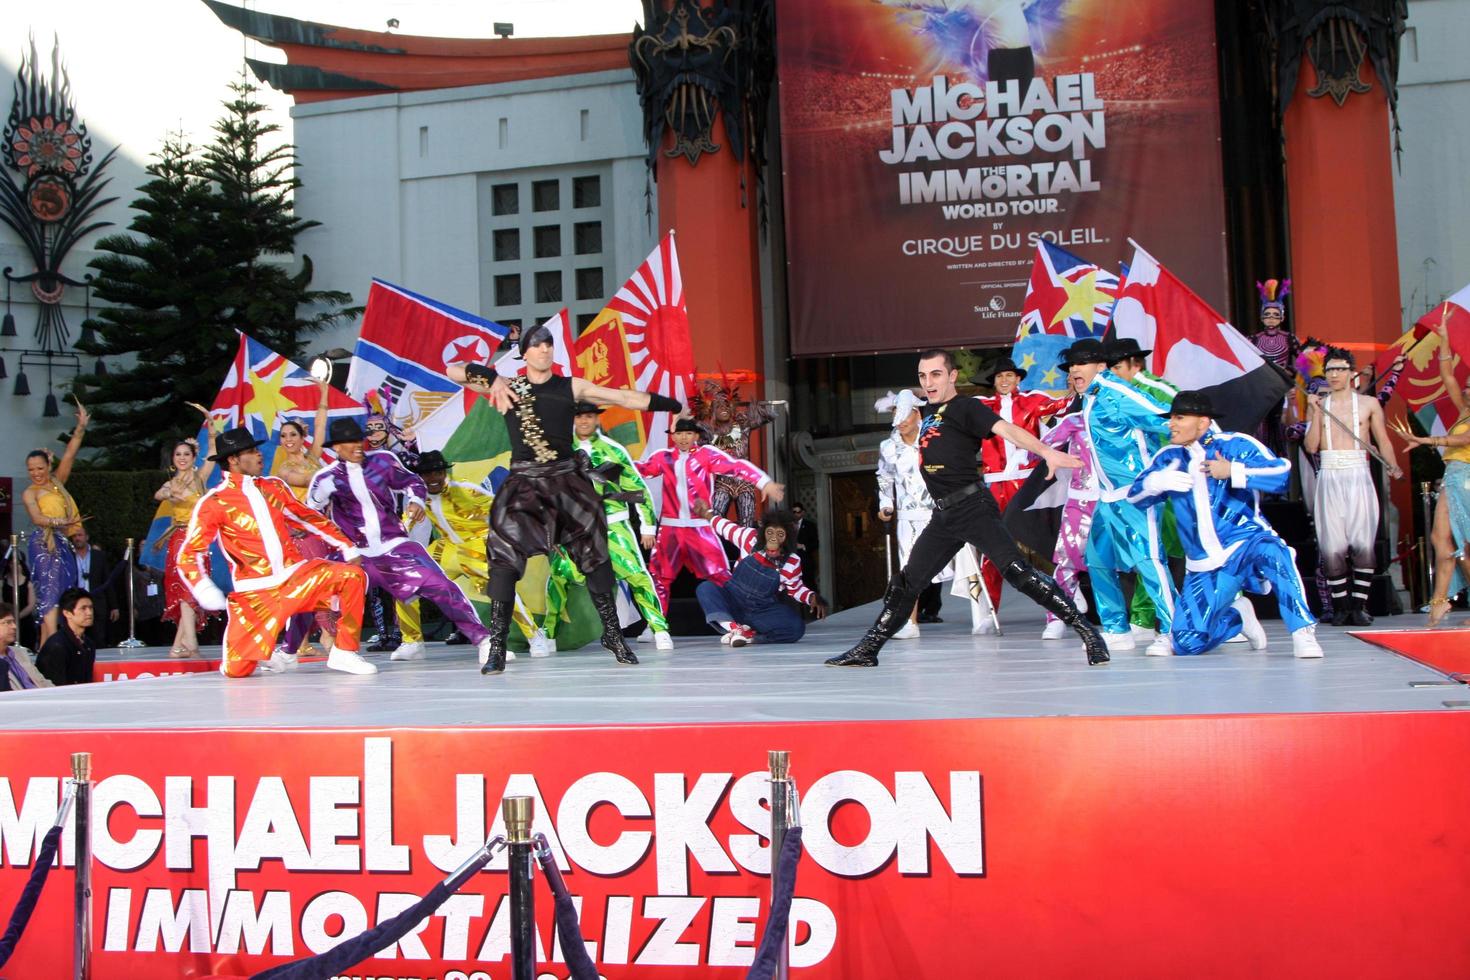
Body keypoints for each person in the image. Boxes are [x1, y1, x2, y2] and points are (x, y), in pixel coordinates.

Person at [826, 349, 1107, 667]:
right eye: (923, 375)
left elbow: (1007, 430)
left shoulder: (966, 408)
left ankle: (1087, 632)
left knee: (1018, 573)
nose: (928, 382)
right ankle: (868, 649)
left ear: (952, 375)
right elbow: (913, 401)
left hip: (973, 507)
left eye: (936, 374)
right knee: (906, 582)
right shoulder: (931, 411)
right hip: (943, 515)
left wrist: (1046, 452)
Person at [448, 322, 690, 674]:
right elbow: (452, 370)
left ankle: (612, 634)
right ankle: (497, 644)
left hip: (566, 483)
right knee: (503, 559)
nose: (545, 350)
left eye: (549, 344)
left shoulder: (570, 386)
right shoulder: (508, 388)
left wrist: (674, 404)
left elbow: (622, 397)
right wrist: (492, 377)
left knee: (596, 557)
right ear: (524, 353)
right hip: (525, 485)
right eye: (537, 345)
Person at [1128, 390, 1324, 658]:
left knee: (1275, 553)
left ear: (1203, 421)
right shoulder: (1168, 458)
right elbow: (1135, 496)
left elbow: (1281, 475)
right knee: (1186, 644)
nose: (1171, 424)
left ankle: (1303, 632)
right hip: (1205, 563)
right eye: (1171, 417)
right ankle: (1238, 617)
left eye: (1179, 417)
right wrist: (1156, 483)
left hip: (1247, 541)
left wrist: (1233, 471)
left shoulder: (1236, 444)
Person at [175, 426, 373, 677]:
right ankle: (247, 655)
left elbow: (309, 518)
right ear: (233, 460)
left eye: (257, 449)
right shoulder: (214, 502)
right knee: (237, 672)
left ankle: (344, 652)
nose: (260, 455)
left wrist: (346, 545)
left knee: (352, 576)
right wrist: (203, 588)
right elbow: (189, 554)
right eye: (251, 451)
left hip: (295, 579)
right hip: (256, 595)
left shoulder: (274, 487)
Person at [307, 418, 492, 663]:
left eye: (358, 439)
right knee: (312, 589)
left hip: (394, 546)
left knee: (440, 585)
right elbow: (311, 515)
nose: (358, 445)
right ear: (337, 447)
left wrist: (415, 500)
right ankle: (291, 651)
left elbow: (412, 481)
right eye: (350, 442)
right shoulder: (325, 478)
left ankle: (484, 641)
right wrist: (340, 543)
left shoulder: (383, 460)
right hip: (356, 553)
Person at [1067, 338, 1178, 654]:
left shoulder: (1118, 391)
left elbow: (1164, 418)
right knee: (1097, 560)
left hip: (1136, 494)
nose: (1075, 370)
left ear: (1100, 366)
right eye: (1072, 366)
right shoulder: (1089, 396)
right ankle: (1117, 628)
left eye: (1081, 363)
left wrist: (1183, 460)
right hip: (1107, 497)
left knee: (1149, 560)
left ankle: (1174, 629)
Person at [541, 403, 673, 651]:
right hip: (574, 529)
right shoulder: (561, 451)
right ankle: (547, 635)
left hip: (613, 524)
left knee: (637, 575)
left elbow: (636, 486)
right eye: (579, 416)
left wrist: (647, 526)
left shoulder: (614, 450)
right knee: (559, 577)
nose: (584, 421)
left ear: (596, 420)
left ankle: (660, 629)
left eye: (589, 416)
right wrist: (551, 532)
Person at [636, 417, 784, 611]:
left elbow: (736, 467)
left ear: (696, 436)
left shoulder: (706, 455)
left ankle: (739, 620)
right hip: (670, 529)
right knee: (658, 578)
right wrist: (607, 465)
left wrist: (763, 482)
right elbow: (638, 470)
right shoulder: (663, 458)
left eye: (688, 433)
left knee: (721, 575)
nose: (683, 438)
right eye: (679, 433)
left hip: (699, 529)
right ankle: (655, 625)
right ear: (673, 436)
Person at [405, 450, 543, 652]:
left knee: (501, 588)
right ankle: (411, 642)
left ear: (445, 472)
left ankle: (535, 635)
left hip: (476, 544)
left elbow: (504, 504)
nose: (432, 478)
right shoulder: (418, 496)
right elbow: (402, 527)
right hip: (447, 548)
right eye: (427, 474)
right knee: (406, 582)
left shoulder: (465, 488)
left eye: (437, 472)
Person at [1303, 347, 1402, 626]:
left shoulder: (1369, 404)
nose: (1334, 375)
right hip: (1330, 470)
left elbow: (1383, 441)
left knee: (1362, 542)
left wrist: (1392, 465)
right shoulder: (1320, 405)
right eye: (1330, 370)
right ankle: (1341, 607)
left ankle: (1359, 607)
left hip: (1359, 470)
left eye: (1339, 369)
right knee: (1332, 544)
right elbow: (1311, 446)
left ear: (1351, 372)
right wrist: (1313, 413)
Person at [969, 356, 1071, 620]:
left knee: (1044, 542)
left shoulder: (1033, 399)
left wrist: (1075, 385)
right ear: (993, 381)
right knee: (991, 545)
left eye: (1010, 375)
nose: (1005, 380)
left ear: (1018, 378)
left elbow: (1063, 406)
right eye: (1000, 376)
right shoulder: (980, 406)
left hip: (1027, 482)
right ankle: (986, 611)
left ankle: (1059, 607)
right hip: (994, 484)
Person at [1390, 311, 1470, 627]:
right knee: (1441, 540)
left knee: (1462, 546)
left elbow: (1459, 439)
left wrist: (1422, 438)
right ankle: (1440, 603)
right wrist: (1445, 338)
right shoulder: (1464, 409)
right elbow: (1447, 374)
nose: (1465, 389)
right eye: (1467, 386)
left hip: (1465, 480)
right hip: (1453, 477)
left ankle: (1442, 602)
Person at [1104, 335, 1183, 635]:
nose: (1108, 372)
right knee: (1148, 550)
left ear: (1133, 364)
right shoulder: (1114, 393)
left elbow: (1194, 421)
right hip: (1143, 485)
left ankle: (1233, 609)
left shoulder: (1158, 389)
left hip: (1175, 482)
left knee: (1188, 547)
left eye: (1114, 366)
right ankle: (1142, 618)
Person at [876, 389, 961, 639]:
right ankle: (909, 623)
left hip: (940, 511)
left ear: (916, 414)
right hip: (907, 516)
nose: (900, 421)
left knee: (964, 562)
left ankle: (984, 615)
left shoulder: (934, 438)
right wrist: (885, 503)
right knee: (908, 569)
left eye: (904, 415)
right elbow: (884, 477)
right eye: (895, 415)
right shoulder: (888, 447)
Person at [693, 501, 825, 645]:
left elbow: (796, 589)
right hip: (732, 599)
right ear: (763, 533)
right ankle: (733, 628)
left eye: (779, 534)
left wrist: (811, 597)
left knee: (796, 627)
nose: (773, 539)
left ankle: (750, 637)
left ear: (787, 538)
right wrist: (706, 514)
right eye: (770, 533)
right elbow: (724, 526)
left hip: (761, 610)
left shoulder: (792, 561)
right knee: (706, 588)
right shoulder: (749, 537)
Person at [272, 379, 339, 652]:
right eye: (284, 436)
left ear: (302, 438)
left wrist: (323, 392)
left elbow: (321, 426)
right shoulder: (285, 470)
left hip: (319, 531)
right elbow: (311, 478)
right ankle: (325, 634)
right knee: (314, 583)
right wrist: (336, 471)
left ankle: (300, 640)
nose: (287, 440)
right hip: (300, 534)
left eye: (292, 435)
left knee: (317, 584)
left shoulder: (313, 456)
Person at [154, 408, 221, 658]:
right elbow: (158, 494)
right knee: (185, 589)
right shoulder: (171, 483)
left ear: (194, 457)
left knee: (192, 590)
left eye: (186, 454)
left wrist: (211, 425)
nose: (182, 458)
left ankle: (177, 646)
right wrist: (170, 493)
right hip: (181, 538)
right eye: (178, 454)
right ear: (173, 459)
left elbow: (213, 453)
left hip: (199, 540)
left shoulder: (199, 478)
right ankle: (190, 642)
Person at [21, 398, 87, 646]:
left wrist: (80, 427)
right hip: (43, 544)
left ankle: (58, 645)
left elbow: (70, 452)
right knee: (48, 597)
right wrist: (59, 520)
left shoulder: (57, 482)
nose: (36, 473)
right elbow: (37, 518)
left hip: (62, 543)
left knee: (64, 596)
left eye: (39, 468)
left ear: (48, 465)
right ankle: (49, 648)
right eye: (31, 470)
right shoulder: (30, 492)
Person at [1037, 367, 1096, 640]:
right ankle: (1057, 616)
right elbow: (1041, 447)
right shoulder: (1073, 421)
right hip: (1080, 500)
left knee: (1128, 562)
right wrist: (1050, 455)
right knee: (1066, 561)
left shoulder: (1121, 416)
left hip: (1114, 500)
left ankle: (1136, 622)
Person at [692, 375, 777, 526]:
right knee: (713, 524)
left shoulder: (742, 424)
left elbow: (770, 415)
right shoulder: (707, 432)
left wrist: (753, 412)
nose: (724, 408)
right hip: (722, 484)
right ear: (711, 410)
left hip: (744, 483)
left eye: (727, 404)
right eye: (719, 406)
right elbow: (690, 439)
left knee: (747, 527)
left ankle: (747, 550)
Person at [69, 527, 123, 648]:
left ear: (87, 537)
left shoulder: (99, 556)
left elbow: (107, 581)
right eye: (74, 536)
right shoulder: (68, 556)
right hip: (75, 602)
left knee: (98, 637)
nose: (77, 538)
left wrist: (114, 606)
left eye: (80, 535)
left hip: (97, 601)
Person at [35, 587, 97, 685]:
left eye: (91, 607)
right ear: (67, 613)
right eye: (83, 608)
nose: (89, 613)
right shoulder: (56, 646)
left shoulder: (88, 644)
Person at [0, 602, 51, 691]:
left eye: (13, 622)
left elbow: (43, 682)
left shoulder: (20, 653)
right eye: (8, 622)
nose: (14, 626)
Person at [1, 546, 38, 652]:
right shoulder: (3, 582)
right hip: (7, 618)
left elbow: (31, 604)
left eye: (18, 563)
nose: (15, 566)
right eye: (12, 564)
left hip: (25, 621)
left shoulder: (28, 583)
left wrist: (18, 616)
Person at [791, 503, 819, 592]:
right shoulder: (788, 525)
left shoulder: (810, 525)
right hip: (791, 563)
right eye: (793, 512)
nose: (795, 514)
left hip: (805, 562)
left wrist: (803, 546)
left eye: (798, 512)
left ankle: (814, 605)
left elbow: (815, 543)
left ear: (803, 512)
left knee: (809, 587)